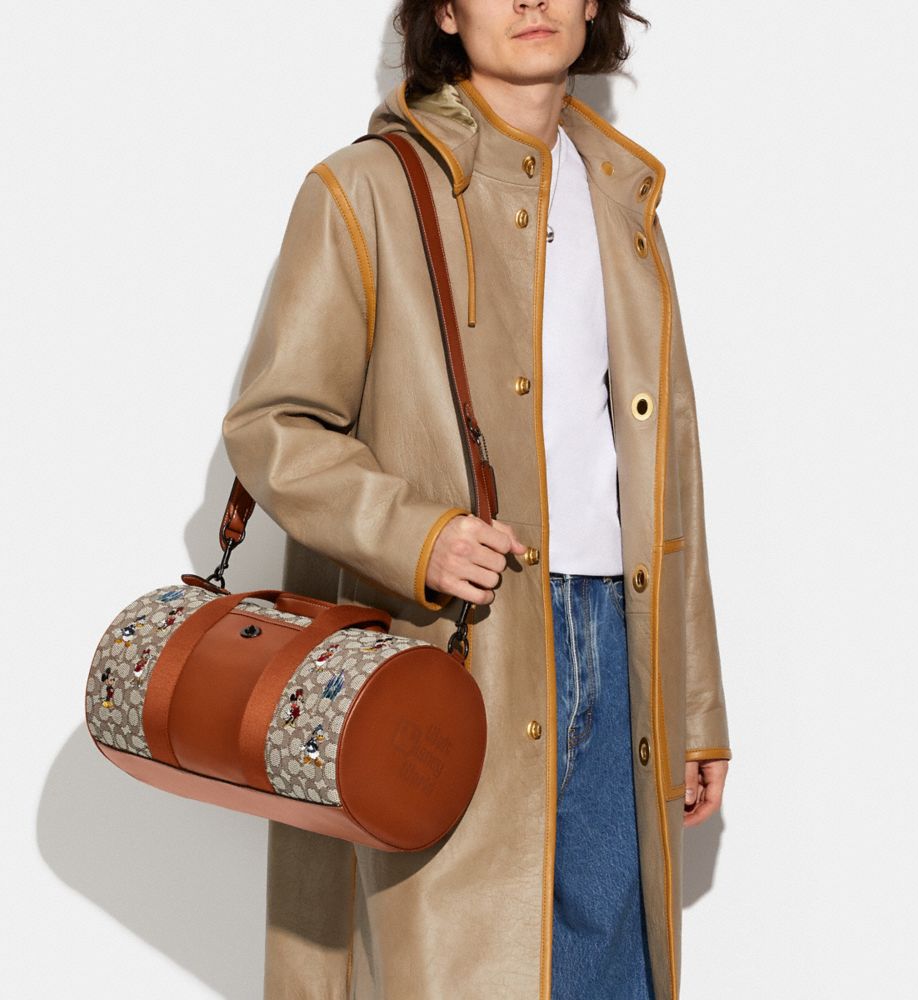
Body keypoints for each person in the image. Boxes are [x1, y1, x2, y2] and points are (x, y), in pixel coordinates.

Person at [222, 1, 732, 998]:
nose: (531, 4)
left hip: (619, 641)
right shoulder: (365, 190)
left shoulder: (623, 198)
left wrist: (694, 700)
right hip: (452, 647)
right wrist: (418, 536)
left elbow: (667, 468)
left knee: (610, 974)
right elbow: (273, 425)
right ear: (447, 13)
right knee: (461, 971)